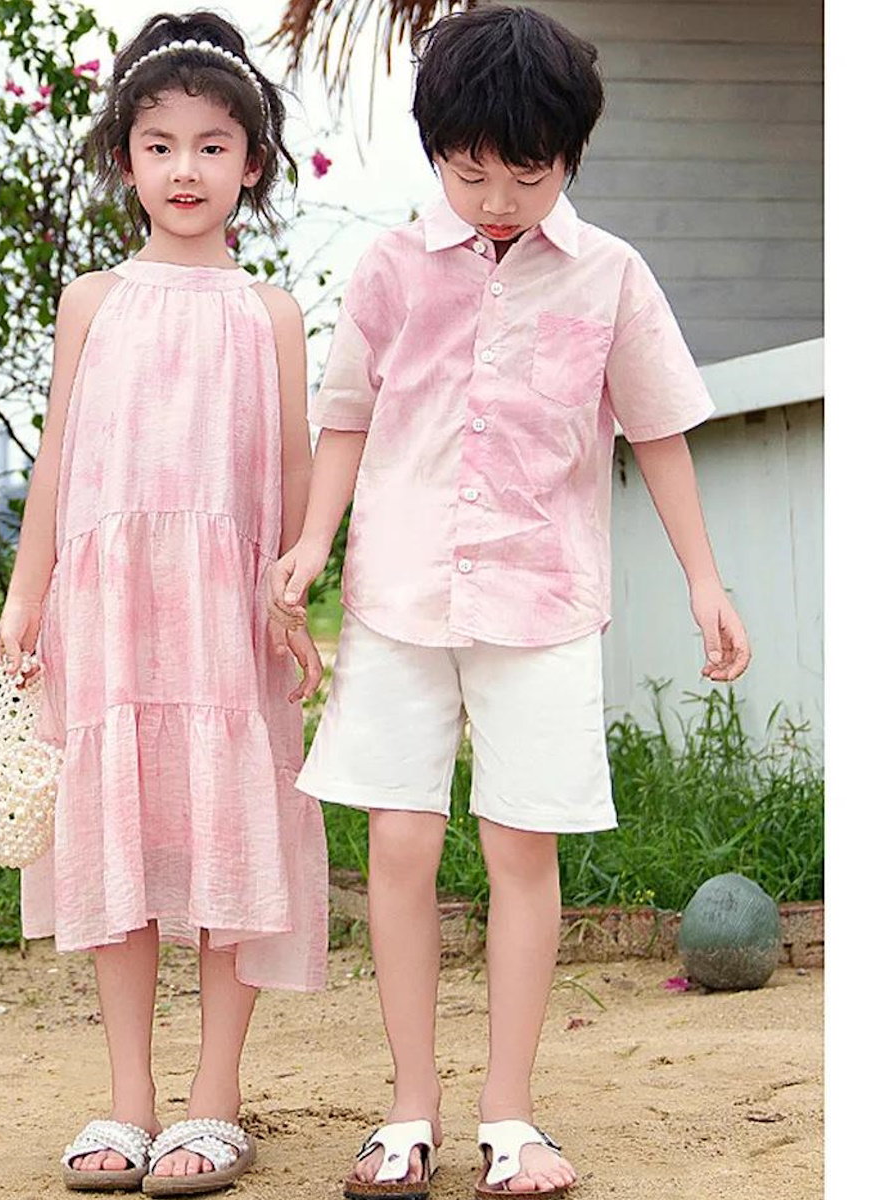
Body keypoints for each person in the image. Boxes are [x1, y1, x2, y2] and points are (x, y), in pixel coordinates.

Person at [268, 6, 751, 1198]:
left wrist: (705, 580)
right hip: (399, 592)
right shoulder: (388, 268)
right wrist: (311, 541)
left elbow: (662, 434)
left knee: (520, 843)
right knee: (400, 839)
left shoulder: (611, 277)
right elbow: (347, 416)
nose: (493, 195)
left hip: (542, 596)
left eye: (523, 172)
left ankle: (512, 1118)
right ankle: (408, 1112)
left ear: (570, 156)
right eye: (468, 168)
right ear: (437, 151)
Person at [0, 10, 328, 1193]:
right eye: (160, 145)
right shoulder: (92, 299)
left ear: (254, 163)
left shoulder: (270, 313)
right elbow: (58, 461)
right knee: (117, 838)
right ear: (124, 158)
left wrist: (297, 602)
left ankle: (214, 1100)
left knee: (232, 837)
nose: (186, 170)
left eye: (213, 146)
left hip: (227, 617)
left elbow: (292, 468)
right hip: (112, 615)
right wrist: (25, 600)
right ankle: (129, 1097)